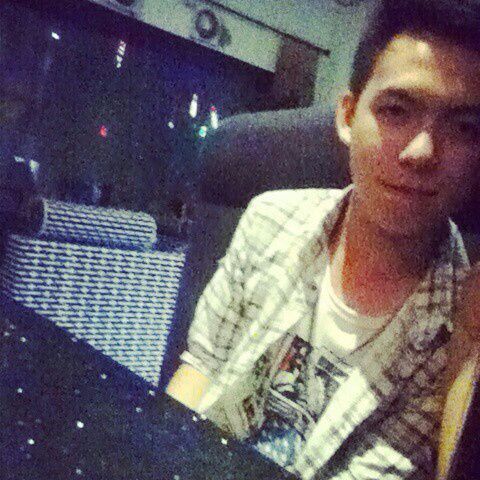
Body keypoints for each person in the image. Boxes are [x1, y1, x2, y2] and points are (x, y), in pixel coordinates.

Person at [166, 0, 480, 478]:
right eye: (396, 110)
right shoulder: (270, 218)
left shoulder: (463, 327)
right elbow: (200, 367)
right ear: (348, 117)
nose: (421, 151)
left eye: (463, 128)